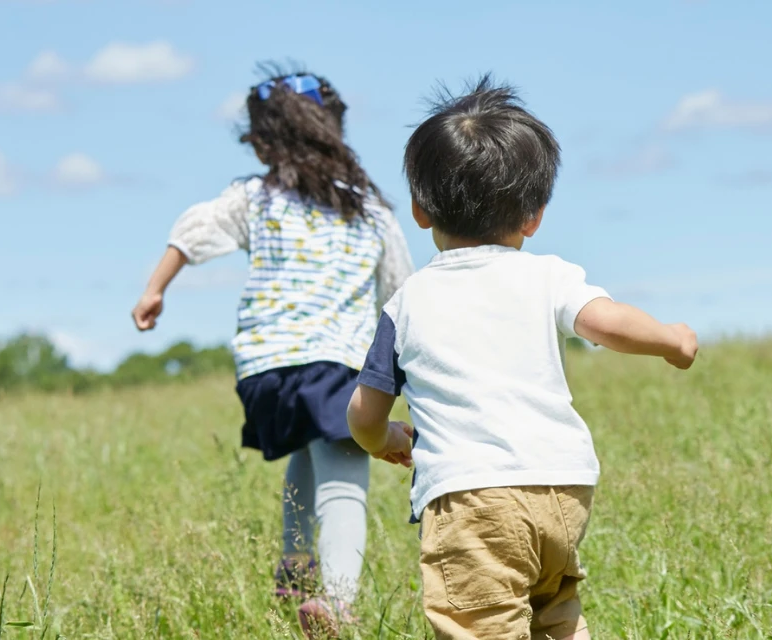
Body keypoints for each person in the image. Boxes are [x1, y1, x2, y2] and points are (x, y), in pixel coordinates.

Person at [345, 77, 699, 640]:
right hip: (563, 491)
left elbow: (363, 413)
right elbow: (607, 323)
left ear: (418, 209)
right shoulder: (548, 275)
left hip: (473, 500)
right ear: (533, 214)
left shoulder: (408, 302)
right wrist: (671, 339)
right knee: (555, 617)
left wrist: (384, 439)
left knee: (481, 625)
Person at [130, 67, 413, 637]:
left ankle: (295, 571)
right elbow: (403, 293)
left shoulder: (255, 198)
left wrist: (155, 287)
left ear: (264, 141)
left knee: (307, 453)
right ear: (335, 133)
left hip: (265, 368)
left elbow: (195, 229)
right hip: (333, 357)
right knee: (344, 475)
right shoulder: (369, 212)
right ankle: (337, 603)